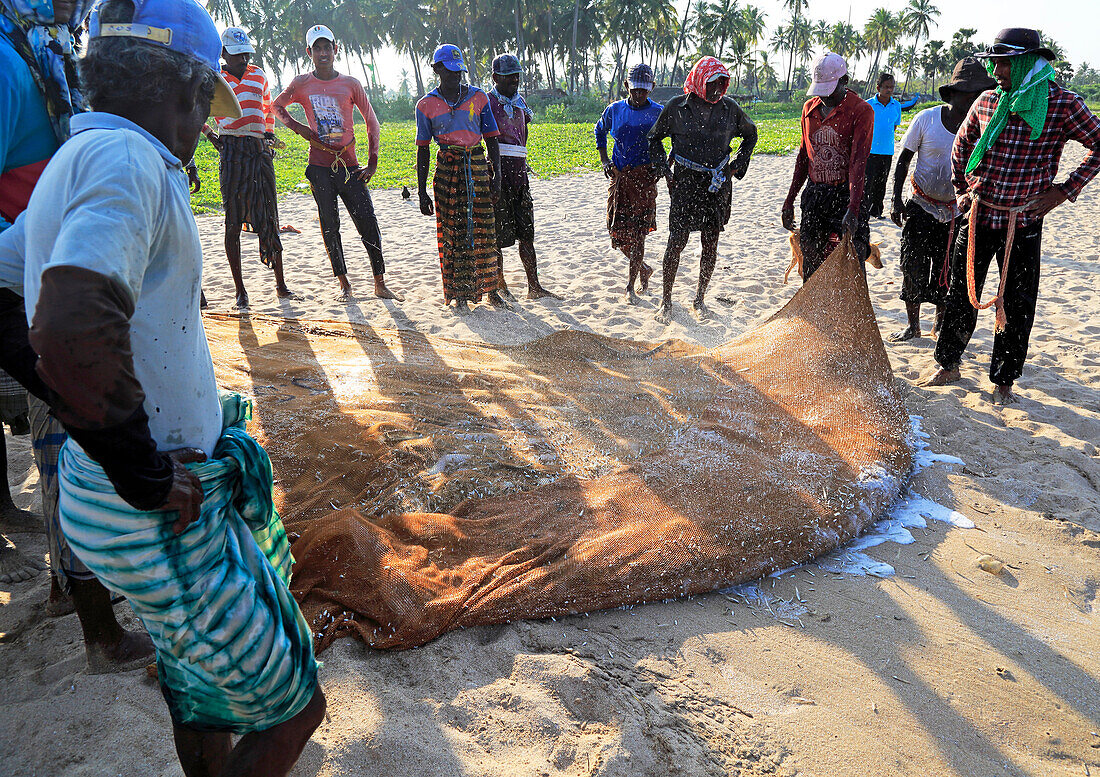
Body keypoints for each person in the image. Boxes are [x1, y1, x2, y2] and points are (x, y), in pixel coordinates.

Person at [19, 0, 325, 773]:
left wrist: (80, 417)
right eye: (203, 103)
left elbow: (12, 299)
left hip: (102, 493)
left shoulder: (75, 159)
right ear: (185, 89)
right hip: (153, 507)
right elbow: (72, 321)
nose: (204, 124)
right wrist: (142, 467)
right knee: (299, 706)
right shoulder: (129, 163)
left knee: (197, 682)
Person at [0, 0, 159, 663]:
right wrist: (22, 250)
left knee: (79, 435)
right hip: (31, 286)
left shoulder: (48, 53)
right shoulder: (11, 65)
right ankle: (93, 622)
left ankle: (89, 584)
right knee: (65, 440)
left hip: (52, 268)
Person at [923, 28, 1100, 405]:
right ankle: (948, 363)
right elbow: (962, 144)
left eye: (1002, 63)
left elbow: (1098, 144)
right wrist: (962, 190)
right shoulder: (988, 100)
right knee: (959, 293)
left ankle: (1004, 381)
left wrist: (1062, 191)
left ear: (1023, 63)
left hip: (1023, 222)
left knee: (1017, 302)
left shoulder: (1063, 105)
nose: (995, 70)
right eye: (995, 62)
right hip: (979, 215)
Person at [274, 24, 399, 301]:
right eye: (316, 48)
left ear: (336, 49)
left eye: (327, 47)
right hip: (319, 167)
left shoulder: (351, 84)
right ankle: (344, 284)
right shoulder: (301, 84)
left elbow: (372, 122)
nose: (322, 53)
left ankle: (380, 282)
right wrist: (299, 128)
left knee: (367, 220)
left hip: (350, 165)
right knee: (330, 224)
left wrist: (373, 161)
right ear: (309, 52)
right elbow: (276, 106)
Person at [888, 58, 995, 342]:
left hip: (956, 211)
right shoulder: (927, 119)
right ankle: (913, 326)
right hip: (921, 204)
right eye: (968, 94)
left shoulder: (984, 128)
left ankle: (938, 326)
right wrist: (896, 199)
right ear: (953, 94)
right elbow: (904, 159)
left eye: (978, 94)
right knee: (912, 265)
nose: (974, 99)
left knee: (947, 270)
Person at [647, 56, 757, 323]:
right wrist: (666, 173)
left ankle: (700, 299)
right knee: (677, 241)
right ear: (699, 81)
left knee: (710, 242)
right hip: (684, 184)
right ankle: (666, 301)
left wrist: (735, 167)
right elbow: (654, 139)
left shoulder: (729, 109)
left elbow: (751, 134)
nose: (718, 89)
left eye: (722, 83)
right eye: (713, 83)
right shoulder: (676, 108)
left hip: (716, 186)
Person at [201, 26, 294, 308]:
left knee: (270, 215)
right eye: (237, 53)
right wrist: (209, 134)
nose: (243, 58)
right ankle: (240, 290)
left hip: (258, 150)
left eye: (246, 53)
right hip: (231, 151)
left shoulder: (259, 75)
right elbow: (197, 110)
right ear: (224, 53)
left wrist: (268, 137)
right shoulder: (215, 79)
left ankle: (280, 284)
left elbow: (266, 112)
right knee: (233, 220)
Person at [416, 44, 507, 312]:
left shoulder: (479, 98)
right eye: (449, 70)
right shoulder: (426, 105)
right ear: (437, 70)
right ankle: (459, 294)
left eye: (459, 71)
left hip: (477, 165)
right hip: (447, 169)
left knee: (485, 229)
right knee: (452, 232)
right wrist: (421, 192)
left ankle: (491, 290)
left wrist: (497, 178)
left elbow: (492, 141)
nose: (456, 76)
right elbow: (423, 149)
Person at [782, 52, 875, 281]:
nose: (824, 97)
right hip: (816, 193)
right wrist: (789, 199)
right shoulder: (809, 109)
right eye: (820, 90)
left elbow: (858, 163)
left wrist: (853, 208)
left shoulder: (860, 111)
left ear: (844, 81)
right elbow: (804, 156)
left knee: (854, 255)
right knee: (811, 256)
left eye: (829, 90)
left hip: (847, 192)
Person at [487, 53, 559, 301]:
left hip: (519, 175)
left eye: (516, 76)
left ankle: (534, 286)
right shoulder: (487, 103)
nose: (514, 80)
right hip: (497, 176)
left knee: (527, 233)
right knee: (496, 234)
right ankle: (498, 285)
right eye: (509, 77)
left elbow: (523, 136)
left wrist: (522, 163)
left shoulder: (520, 103)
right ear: (496, 77)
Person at [594, 62, 664, 303]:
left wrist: (664, 166)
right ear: (626, 86)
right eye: (634, 90)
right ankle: (643, 268)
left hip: (644, 181)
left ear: (652, 88)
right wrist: (604, 160)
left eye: (644, 90)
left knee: (639, 234)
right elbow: (599, 131)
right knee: (615, 230)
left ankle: (631, 284)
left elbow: (673, 140)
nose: (639, 94)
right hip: (620, 178)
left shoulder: (658, 112)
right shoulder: (614, 110)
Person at [864, 72, 920, 218]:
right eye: (886, 87)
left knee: (881, 183)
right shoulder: (868, 105)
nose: (889, 90)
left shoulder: (896, 106)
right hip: (869, 151)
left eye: (892, 87)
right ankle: (863, 212)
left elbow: (894, 126)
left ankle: (876, 212)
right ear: (878, 87)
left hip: (887, 151)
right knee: (867, 183)